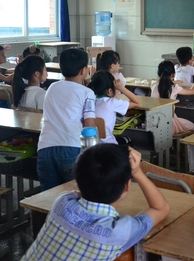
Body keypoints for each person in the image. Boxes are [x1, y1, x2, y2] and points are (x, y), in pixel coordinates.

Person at [20, 144, 170, 261]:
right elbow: (160, 208)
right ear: (127, 186)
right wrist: (137, 172)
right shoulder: (118, 232)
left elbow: (85, 187)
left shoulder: (63, 202)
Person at [36, 48, 97, 191]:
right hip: (71, 147)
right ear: (84, 70)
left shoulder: (51, 88)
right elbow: (89, 126)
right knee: (78, 194)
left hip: (45, 148)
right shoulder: (87, 92)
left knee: (49, 197)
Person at [88, 71, 140, 144]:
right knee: (128, 141)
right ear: (109, 91)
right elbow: (137, 102)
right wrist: (122, 88)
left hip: (91, 145)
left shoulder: (89, 101)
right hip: (108, 145)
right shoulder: (112, 102)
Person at [150, 61, 194, 134]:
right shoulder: (174, 87)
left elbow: (163, 83)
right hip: (170, 122)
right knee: (192, 127)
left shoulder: (153, 85)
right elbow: (192, 92)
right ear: (173, 74)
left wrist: (174, 82)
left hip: (154, 121)